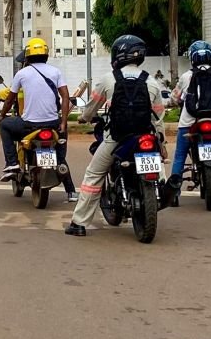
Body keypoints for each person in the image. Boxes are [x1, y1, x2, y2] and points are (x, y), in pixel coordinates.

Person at [65, 34, 165, 236]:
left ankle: (79, 223)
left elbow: (91, 109)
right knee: (159, 168)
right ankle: (164, 190)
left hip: (116, 138)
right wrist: (161, 141)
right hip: (145, 136)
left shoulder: (108, 80)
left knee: (93, 175)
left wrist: (84, 118)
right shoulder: (152, 82)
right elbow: (158, 117)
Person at [0, 38, 74, 198]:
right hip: (53, 124)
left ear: (27, 56)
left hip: (28, 125)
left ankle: (12, 163)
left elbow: (9, 99)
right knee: (62, 137)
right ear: (46, 55)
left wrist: (2, 116)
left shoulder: (22, 73)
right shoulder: (56, 72)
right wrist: (64, 122)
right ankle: (60, 163)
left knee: (5, 126)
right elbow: (65, 97)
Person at [165, 40, 211, 206]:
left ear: (192, 58)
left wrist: (176, 101)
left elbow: (175, 98)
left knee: (180, 156)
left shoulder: (185, 76)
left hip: (188, 122)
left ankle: (174, 193)